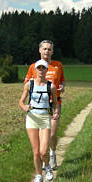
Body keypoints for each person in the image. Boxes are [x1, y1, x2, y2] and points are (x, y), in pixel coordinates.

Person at [24, 40, 65, 169]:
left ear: (52, 51)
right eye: (44, 49)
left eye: (49, 49)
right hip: (39, 107)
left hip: (54, 104)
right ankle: (44, 157)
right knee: (43, 136)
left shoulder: (58, 65)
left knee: (52, 134)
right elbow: (26, 83)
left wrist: (62, 87)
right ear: (40, 50)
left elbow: (63, 81)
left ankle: (52, 153)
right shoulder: (33, 66)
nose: (47, 51)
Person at [19, 59, 60, 182]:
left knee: (43, 151)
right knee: (36, 151)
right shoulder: (29, 85)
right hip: (32, 118)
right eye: (39, 68)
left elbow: (56, 103)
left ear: (47, 70)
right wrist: (24, 107)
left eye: (43, 68)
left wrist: (56, 112)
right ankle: (38, 176)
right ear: (35, 70)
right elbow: (21, 101)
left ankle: (47, 166)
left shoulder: (51, 86)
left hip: (44, 118)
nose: (41, 70)